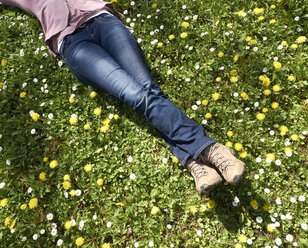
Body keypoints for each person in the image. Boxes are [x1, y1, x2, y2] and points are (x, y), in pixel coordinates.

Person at [0, 0, 245, 195]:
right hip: (74, 42)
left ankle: (194, 161)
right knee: (136, 95)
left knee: (149, 89)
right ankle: (210, 149)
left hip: (103, 21)